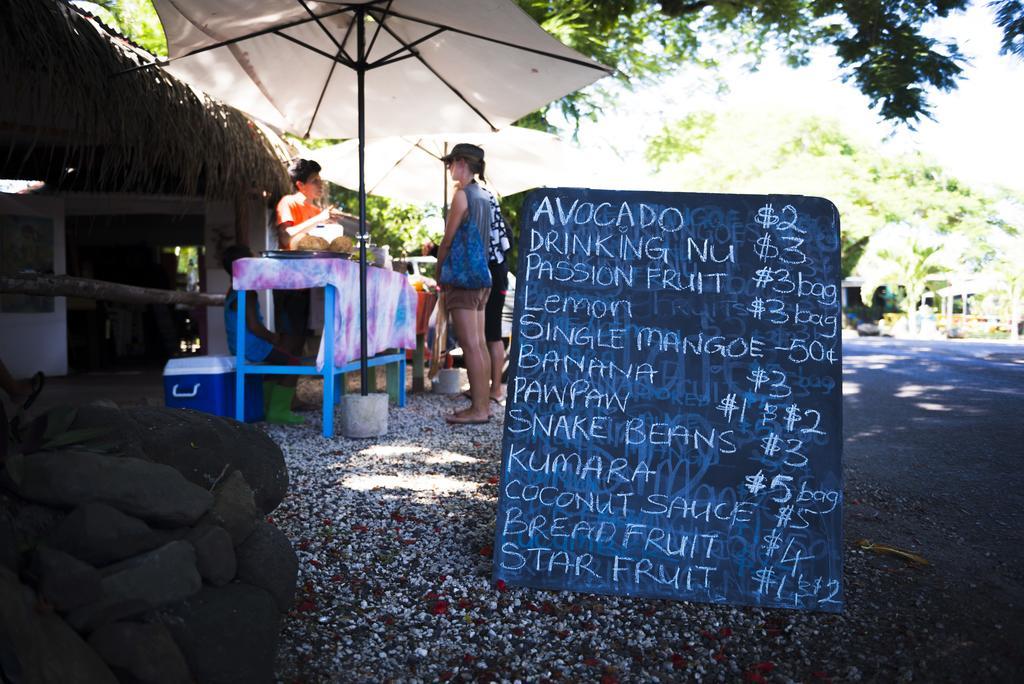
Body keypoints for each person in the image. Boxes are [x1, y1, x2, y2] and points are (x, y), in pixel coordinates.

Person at [436, 143, 494, 424]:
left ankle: (479, 410)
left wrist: (439, 269)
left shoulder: (462, 196)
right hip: (483, 276)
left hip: (463, 277)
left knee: (470, 345)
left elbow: (447, 240)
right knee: (479, 344)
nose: (449, 168)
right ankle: (482, 406)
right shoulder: (485, 194)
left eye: (451, 163)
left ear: (461, 163)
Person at [222, 245, 304, 425]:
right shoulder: (247, 293)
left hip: (239, 345)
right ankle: (279, 411)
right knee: (293, 363)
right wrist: (272, 338)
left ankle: (267, 407)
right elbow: (254, 326)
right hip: (251, 347)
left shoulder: (232, 290)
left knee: (277, 364)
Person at [274, 158, 340, 356]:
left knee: (303, 343)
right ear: (300, 185)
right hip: (289, 283)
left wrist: (327, 225)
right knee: (288, 343)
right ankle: (271, 386)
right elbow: (286, 235)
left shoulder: (316, 211)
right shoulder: (288, 202)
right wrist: (318, 220)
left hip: (312, 284)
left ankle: (287, 387)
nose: (320, 185)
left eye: (320, 180)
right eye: (315, 181)